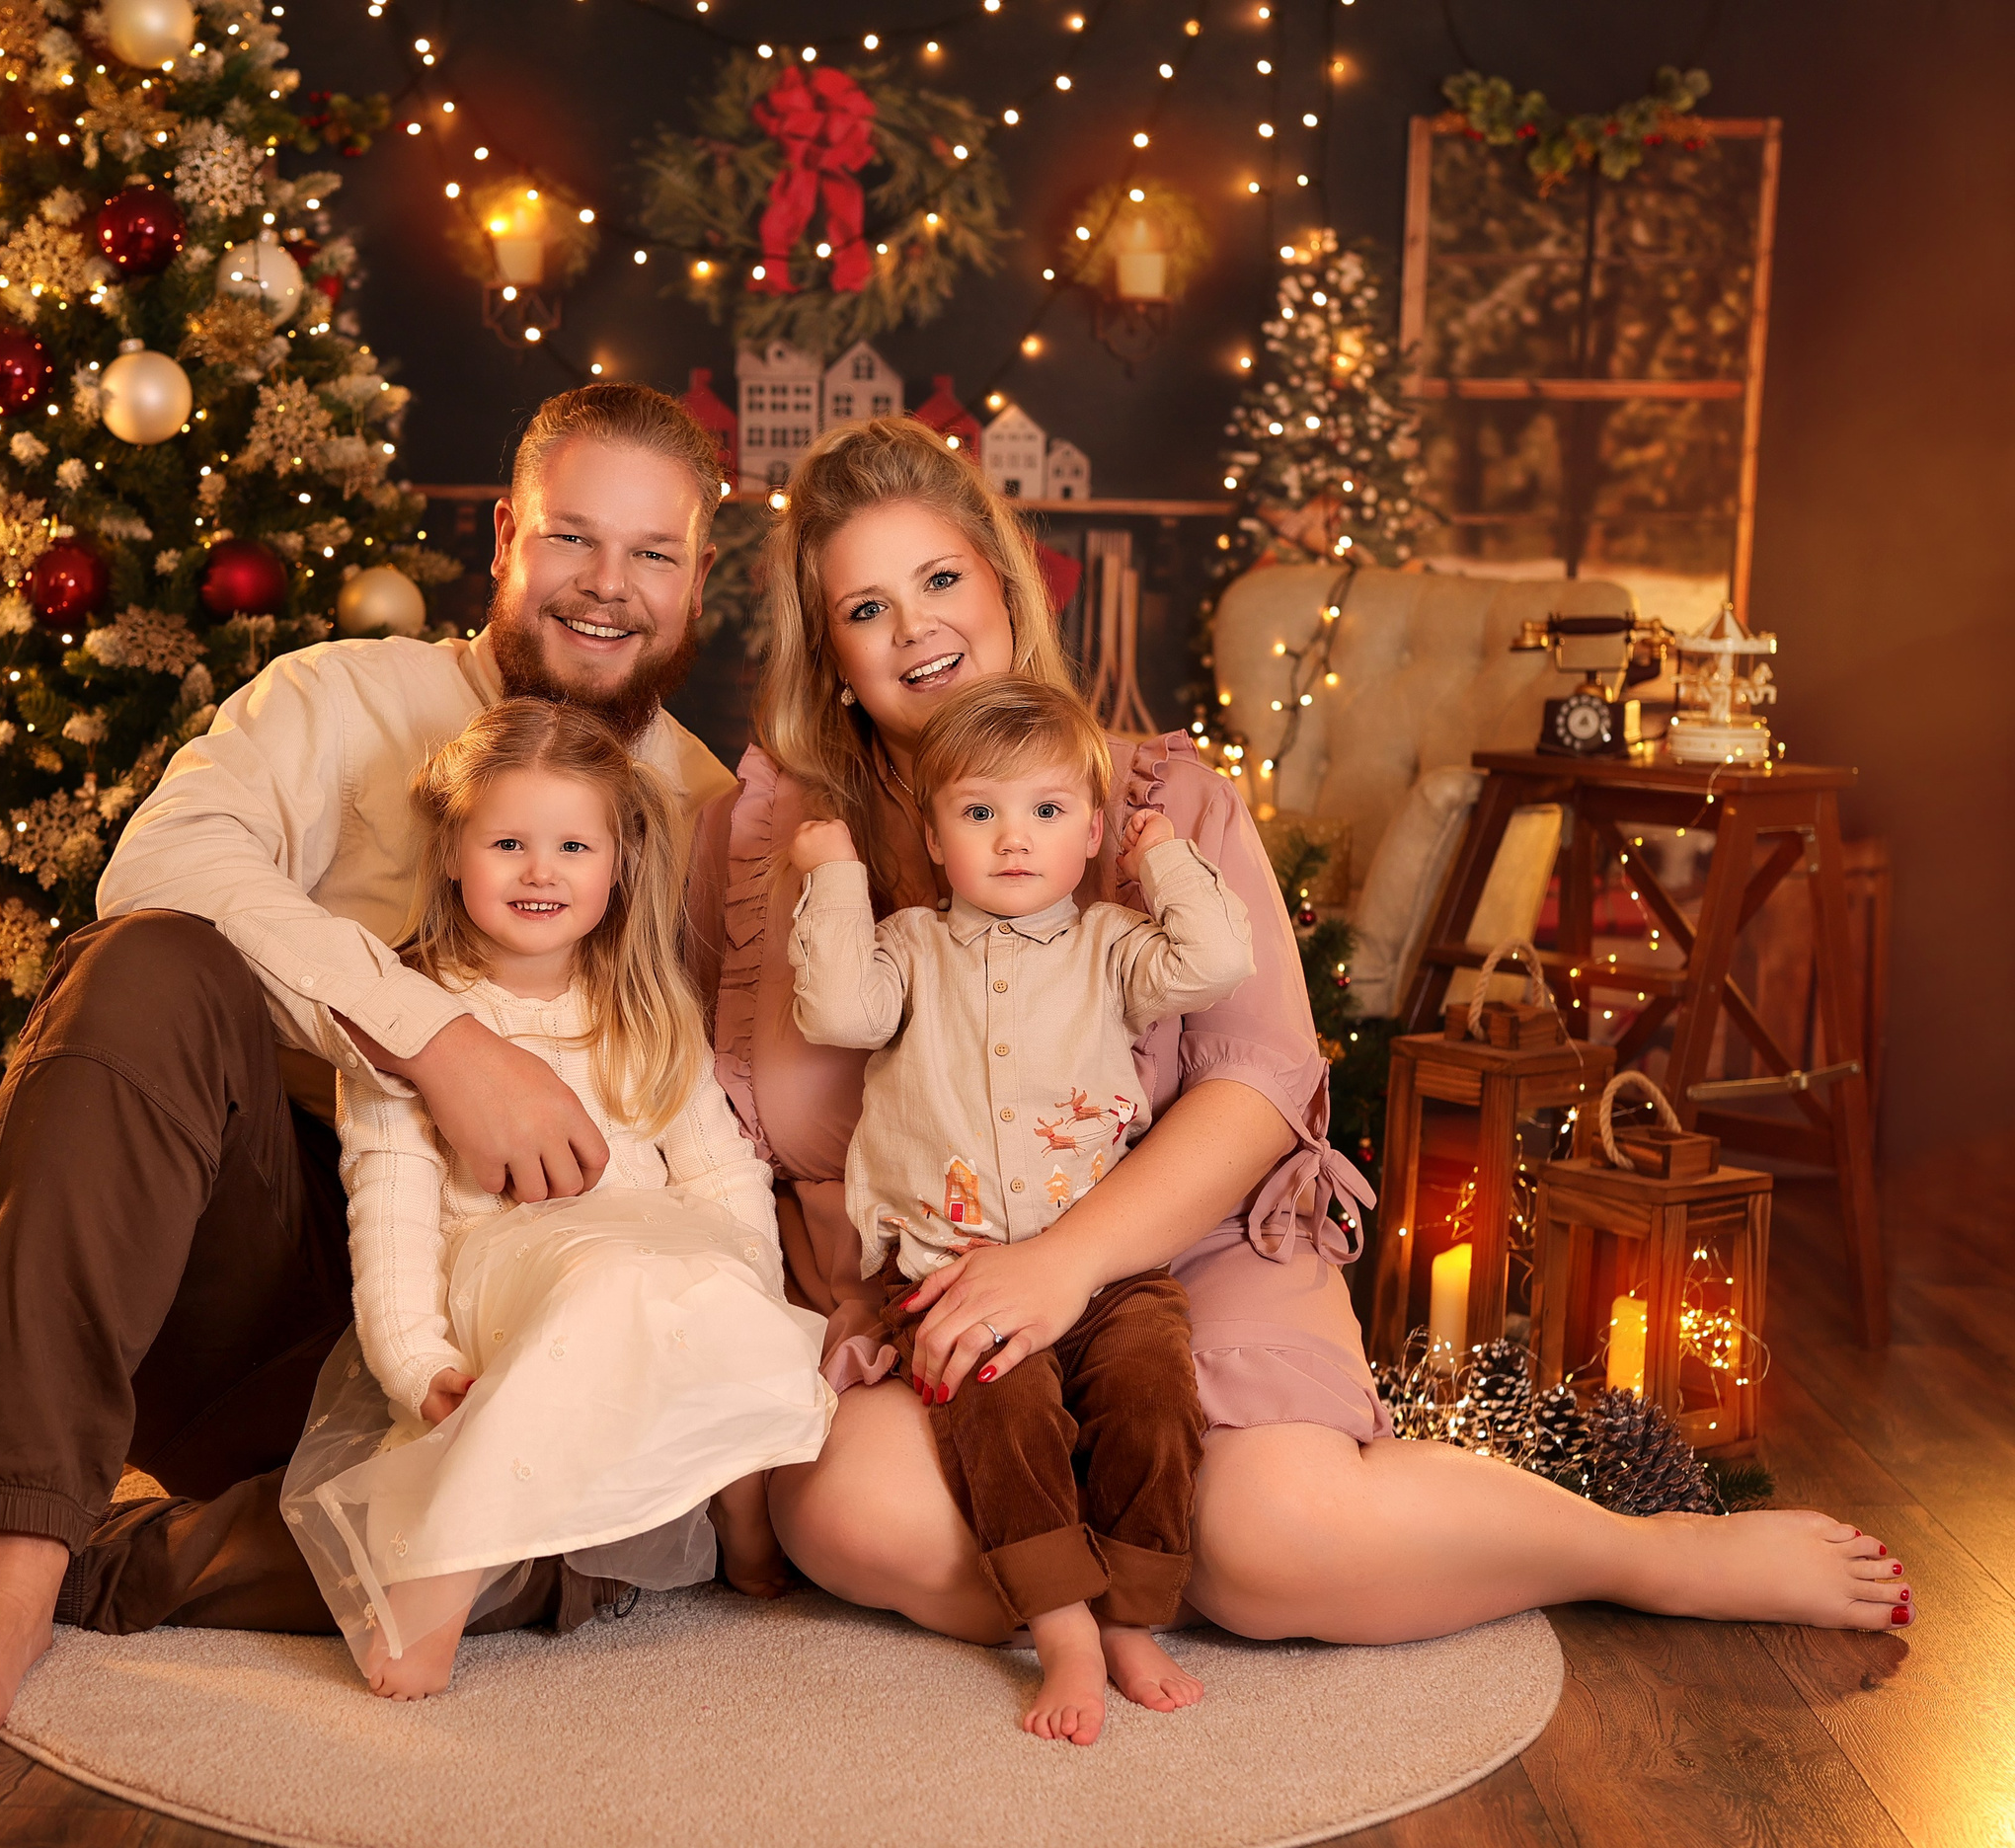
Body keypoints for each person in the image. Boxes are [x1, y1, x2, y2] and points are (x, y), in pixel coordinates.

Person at [696, 415, 1916, 1672]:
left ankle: (1643, 1552)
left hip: (1179, 1247)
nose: (918, 629)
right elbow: (704, 1120)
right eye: (867, 608)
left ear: (1001, 591)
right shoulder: (765, 847)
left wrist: (1060, 1266)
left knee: (1273, 1542)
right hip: (923, 1288)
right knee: (851, 1510)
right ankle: (1129, 1584)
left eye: (941, 580)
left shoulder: (1162, 806)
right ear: (831, 654)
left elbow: (1255, 1081)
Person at [0, 384, 747, 1765]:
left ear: (702, 572)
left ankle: (38, 1566)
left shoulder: (712, 816)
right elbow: (157, 867)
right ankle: (17, 1569)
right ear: (508, 536)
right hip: (256, 1264)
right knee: (151, 960)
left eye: (653, 553)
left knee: (566, 1548)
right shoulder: (341, 696)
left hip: (507, 1323)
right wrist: (432, 1038)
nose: (609, 588)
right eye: (576, 539)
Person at [284, 698, 829, 1699]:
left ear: (616, 864)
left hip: (661, 1258)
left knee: (709, 1280)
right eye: (508, 843)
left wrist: (744, 1277)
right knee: (607, 1279)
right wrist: (416, 1360)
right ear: (452, 853)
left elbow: (718, 1173)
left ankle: (744, 1514)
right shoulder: (411, 1022)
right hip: (504, 1271)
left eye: (572, 845)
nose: (542, 870)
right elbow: (390, 1211)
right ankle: (434, 1583)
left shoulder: (647, 1011)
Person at [787, 674, 1251, 1741]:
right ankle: (1062, 1629)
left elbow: (1218, 958)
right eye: (979, 812)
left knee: (1148, 1398)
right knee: (1000, 1416)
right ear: (935, 834)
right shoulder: (906, 948)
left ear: (1088, 833)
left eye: (1045, 812)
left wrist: (1160, 857)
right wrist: (835, 877)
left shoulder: (1111, 947)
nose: (1012, 840)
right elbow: (837, 1009)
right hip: (951, 1270)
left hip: (1103, 1269)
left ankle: (1133, 1612)